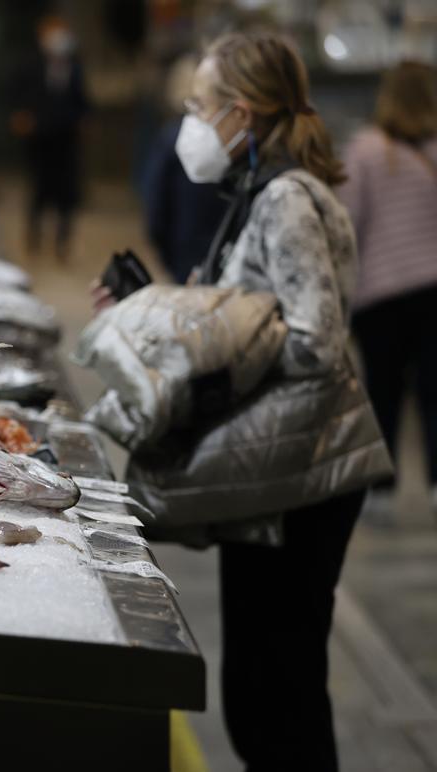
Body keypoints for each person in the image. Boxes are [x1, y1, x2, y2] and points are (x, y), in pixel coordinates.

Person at [91, 32, 390, 770]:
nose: (190, 121)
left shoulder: (286, 197)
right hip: (283, 469)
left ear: (243, 115)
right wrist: (149, 305)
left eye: (199, 106)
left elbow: (315, 341)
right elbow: (242, 313)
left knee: (278, 698)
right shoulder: (260, 193)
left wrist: (214, 373)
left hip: (304, 477)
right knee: (261, 690)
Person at [340, 61, 437, 522]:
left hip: (380, 295)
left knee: (383, 390)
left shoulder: (365, 149)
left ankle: (380, 488)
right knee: (434, 392)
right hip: (433, 290)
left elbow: (348, 221)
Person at [139, 54, 228, 284]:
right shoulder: (180, 138)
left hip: (186, 251)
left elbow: (155, 203)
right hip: (203, 253)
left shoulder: (173, 136)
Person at [10, 15, 89, 263]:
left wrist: (84, 120)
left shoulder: (74, 66)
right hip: (39, 138)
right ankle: (33, 237)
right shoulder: (30, 63)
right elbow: (16, 94)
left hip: (66, 138)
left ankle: (62, 242)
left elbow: (82, 100)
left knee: (66, 194)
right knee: (38, 189)